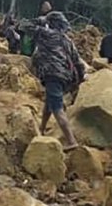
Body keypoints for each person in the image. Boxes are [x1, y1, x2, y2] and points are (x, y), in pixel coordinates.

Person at [32, 11, 85, 150]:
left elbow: (25, 26)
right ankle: (41, 129)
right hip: (65, 77)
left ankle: (71, 140)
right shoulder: (67, 40)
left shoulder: (45, 34)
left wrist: (41, 21)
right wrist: (79, 80)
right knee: (49, 103)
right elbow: (78, 62)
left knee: (57, 109)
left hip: (52, 74)